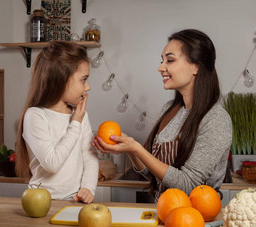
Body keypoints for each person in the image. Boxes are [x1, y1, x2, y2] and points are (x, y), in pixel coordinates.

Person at [94, 29, 232, 202]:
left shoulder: (216, 119)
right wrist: (130, 149)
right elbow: (152, 174)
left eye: (170, 60)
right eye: (162, 61)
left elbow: (190, 186)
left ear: (196, 66)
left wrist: (137, 148)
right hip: (164, 213)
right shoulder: (170, 110)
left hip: (196, 218)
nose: (161, 67)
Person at [15, 41, 99, 203]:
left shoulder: (80, 115)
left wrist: (88, 187)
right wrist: (75, 124)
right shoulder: (35, 116)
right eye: (83, 80)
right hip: (40, 201)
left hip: (74, 200)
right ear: (61, 80)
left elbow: (89, 156)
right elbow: (52, 163)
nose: (87, 87)